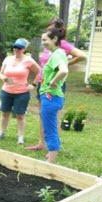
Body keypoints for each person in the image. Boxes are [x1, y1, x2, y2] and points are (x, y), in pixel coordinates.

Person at [26, 19, 86, 151]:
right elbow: (44, 66)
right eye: (47, 29)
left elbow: (82, 56)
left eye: (50, 29)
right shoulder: (48, 45)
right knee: (43, 114)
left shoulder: (62, 44)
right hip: (43, 83)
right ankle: (41, 143)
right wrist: (35, 83)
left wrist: (63, 65)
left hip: (53, 85)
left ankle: (53, 146)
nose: (47, 31)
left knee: (51, 115)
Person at [0, 38, 41, 145]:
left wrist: (33, 85)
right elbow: (1, 73)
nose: (16, 50)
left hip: (21, 93)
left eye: (19, 48)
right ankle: (2, 132)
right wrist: (4, 78)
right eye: (15, 47)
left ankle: (20, 137)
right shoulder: (8, 59)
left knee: (20, 115)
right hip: (6, 91)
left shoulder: (28, 60)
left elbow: (40, 72)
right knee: (5, 113)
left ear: (24, 49)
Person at [39, 28, 69, 163]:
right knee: (51, 127)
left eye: (45, 40)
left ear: (55, 39)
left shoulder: (57, 54)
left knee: (49, 129)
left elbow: (64, 71)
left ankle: (50, 162)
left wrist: (52, 82)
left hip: (51, 97)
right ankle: (51, 154)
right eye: (42, 40)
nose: (43, 43)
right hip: (54, 97)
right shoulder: (60, 53)